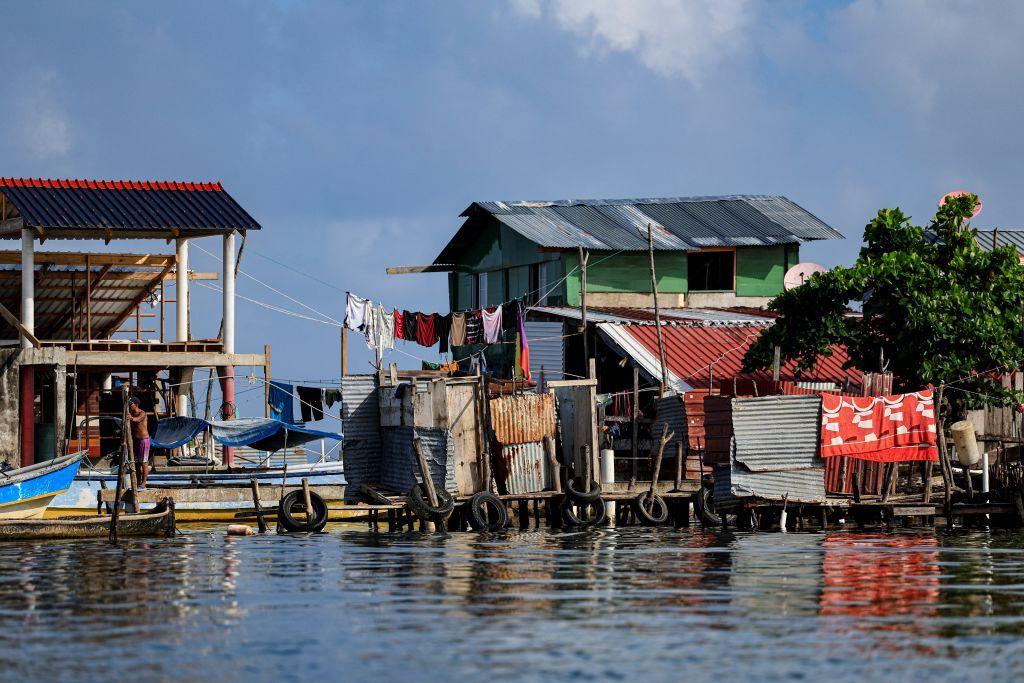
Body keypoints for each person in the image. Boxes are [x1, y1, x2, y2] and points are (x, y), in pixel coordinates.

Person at [127, 398, 151, 490]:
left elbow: (138, 419)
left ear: (136, 404)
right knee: (136, 463)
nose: (129, 406)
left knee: (144, 462)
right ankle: (137, 483)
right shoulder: (131, 414)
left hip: (144, 440)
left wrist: (131, 418)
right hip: (136, 441)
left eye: (131, 404)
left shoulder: (142, 413)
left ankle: (143, 484)